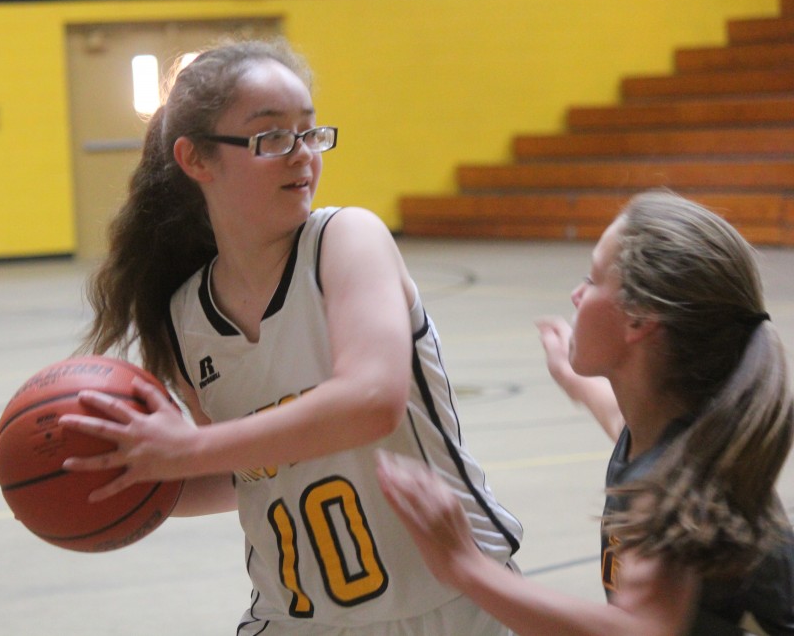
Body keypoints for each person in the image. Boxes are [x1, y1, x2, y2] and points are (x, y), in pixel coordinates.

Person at [58, 37, 522, 635]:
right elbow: (247, 468)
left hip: (452, 608)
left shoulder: (347, 241)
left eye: (309, 132)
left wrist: (186, 451)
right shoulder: (184, 317)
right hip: (296, 619)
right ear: (197, 159)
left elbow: (371, 401)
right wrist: (125, 483)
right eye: (271, 136)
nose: (301, 154)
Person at [376, 190, 794, 635]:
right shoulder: (669, 430)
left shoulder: (673, 486)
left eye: (592, 279)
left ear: (639, 318)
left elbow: (641, 630)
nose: (577, 294)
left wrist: (464, 565)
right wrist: (576, 378)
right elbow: (617, 418)